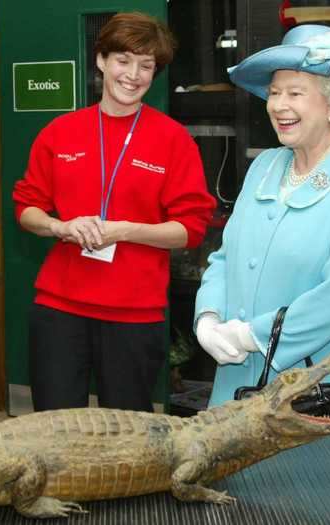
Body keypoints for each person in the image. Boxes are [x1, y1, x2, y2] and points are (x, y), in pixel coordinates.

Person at [13, 12, 216, 413]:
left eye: (147, 66)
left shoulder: (173, 140)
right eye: (123, 61)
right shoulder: (60, 132)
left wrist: (124, 230)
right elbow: (26, 208)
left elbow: (189, 230)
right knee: (53, 428)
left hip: (135, 312)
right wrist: (60, 226)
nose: (134, 75)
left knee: (127, 435)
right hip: (60, 308)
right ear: (102, 60)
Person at [194, 24, 330, 418]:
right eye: (273, 93)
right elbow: (225, 257)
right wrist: (208, 317)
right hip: (234, 389)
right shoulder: (264, 167)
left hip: (309, 397)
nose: (278, 105)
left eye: (295, 93)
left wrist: (251, 335)